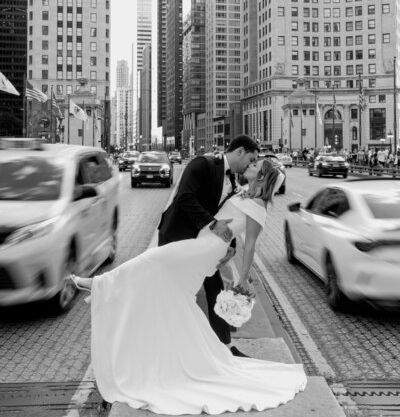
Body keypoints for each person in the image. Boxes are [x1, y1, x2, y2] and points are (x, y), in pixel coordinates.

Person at [70, 159, 306, 415]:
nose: (250, 165)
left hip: (204, 250)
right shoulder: (243, 191)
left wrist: (244, 278)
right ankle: (112, 295)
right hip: (203, 245)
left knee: (151, 261)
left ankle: (99, 284)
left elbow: (250, 245)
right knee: (168, 290)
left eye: (255, 166)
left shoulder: (259, 206)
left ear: (261, 178)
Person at [158, 134, 260, 353]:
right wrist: (214, 224)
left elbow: (227, 217)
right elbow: (185, 198)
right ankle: (170, 345)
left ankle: (226, 347)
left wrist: (230, 246)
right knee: (173, 292)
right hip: (176, 236)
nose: (251, 165)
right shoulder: (202, 164)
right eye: (251, 159)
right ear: (239, 151)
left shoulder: (233, 183)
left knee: (215, 289)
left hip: (204, 246)